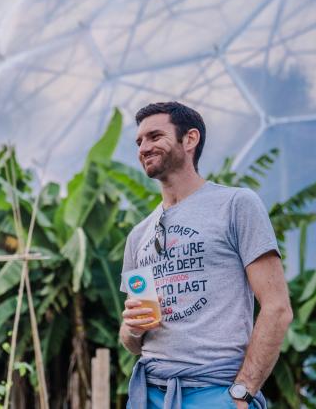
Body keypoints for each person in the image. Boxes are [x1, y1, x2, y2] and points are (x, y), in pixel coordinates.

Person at [119, 102, 293, 409]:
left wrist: (242, 393)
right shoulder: (138, 235)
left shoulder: (236, 205)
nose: (144, 147)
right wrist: (132, 329)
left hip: (216, 391)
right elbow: (132, 342)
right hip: (150, 394)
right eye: (139, 141)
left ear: (190, 140)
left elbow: (277, 307)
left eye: (155, 136)